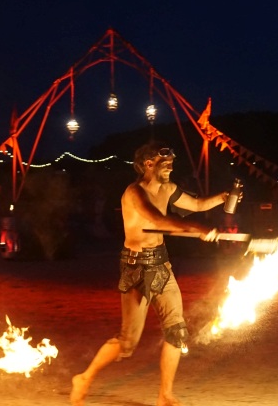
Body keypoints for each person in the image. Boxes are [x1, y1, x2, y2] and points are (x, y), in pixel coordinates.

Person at [70, 142, 230, 406]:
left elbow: (199, 204)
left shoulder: (168, 189)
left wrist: (222, 197)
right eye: (164, 164)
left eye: (170, 164)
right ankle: (84, 378)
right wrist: (196, 229)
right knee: (127, 342)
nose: (170, 168)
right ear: (148, 164)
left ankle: (165, 395)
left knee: (176, 331)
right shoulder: (134, 193)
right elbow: (158, 221)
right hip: (135, 268)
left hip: (161, 266)